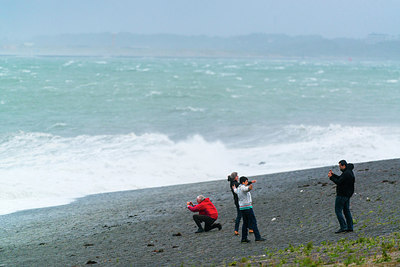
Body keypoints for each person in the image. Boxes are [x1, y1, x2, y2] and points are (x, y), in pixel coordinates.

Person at [232, 176, 265, 243]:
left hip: (242, 208)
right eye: (247, 181)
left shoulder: (238, 188)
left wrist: (234, 188)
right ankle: (257, 237)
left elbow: (235, 191)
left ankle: (244, 238)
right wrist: (249, 188)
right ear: (243, 182)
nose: (247, 182)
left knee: (245, 223)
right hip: (247, 207)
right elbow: (246, 189)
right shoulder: (243, 187)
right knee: (253, 221)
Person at [328, 160, 355, 234]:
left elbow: (339, 182)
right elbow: (341, 179)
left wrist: (331, 177)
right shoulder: (349, 172)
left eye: (340, 166)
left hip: (342, 195)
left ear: (344, 166)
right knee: (346, 211)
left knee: (338, 211)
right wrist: (333, 175)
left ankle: (343, 227)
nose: (339, 168)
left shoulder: (346, 173)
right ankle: (350, 227)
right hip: (347, 195)